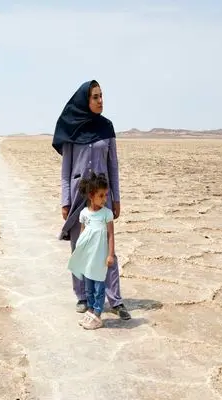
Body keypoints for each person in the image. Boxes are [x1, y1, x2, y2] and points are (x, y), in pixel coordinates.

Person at [52, 79, 131, 320]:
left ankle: (115, 300)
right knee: (80, 247)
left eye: (101, 96)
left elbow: (113, 166)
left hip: (102, 197)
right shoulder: (71, 129)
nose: (100, 101)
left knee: (107, 248)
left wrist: (115, 198)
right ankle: (82, 297)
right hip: (78, 198)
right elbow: (65, 171)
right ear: (85, 100)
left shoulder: (106, 128)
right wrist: (65, 201)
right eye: (95, 97)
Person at [67, 172, 115, 330]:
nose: (105, 199)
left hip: (100, 258)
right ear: (91, 195)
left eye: (106, 195)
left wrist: (110, 254)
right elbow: (82, 235)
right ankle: (90, 310)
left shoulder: (106, 214)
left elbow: (110, 235)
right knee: (88, 287)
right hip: (88, 257)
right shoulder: (84, 214)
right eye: (101, 196)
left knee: (99, 287)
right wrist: (79, 253)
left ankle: (98, 315)